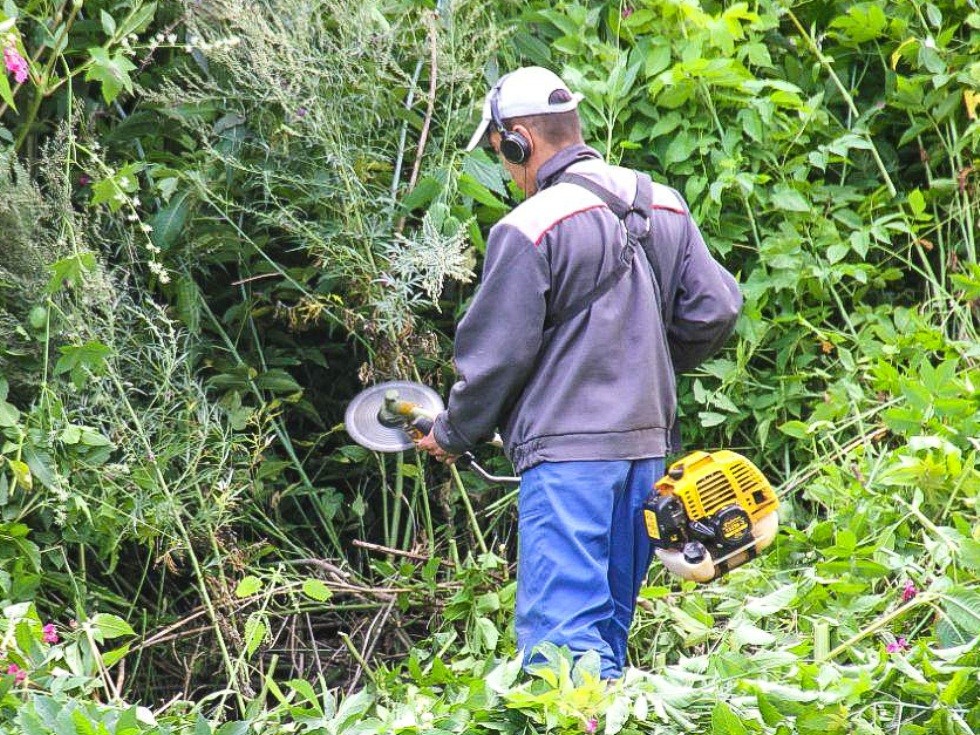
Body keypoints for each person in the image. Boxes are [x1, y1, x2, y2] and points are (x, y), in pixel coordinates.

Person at [416, 66, 742, 679]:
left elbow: (495, 356)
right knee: (608, 632)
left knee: (562, 645)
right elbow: (717, 307)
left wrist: (455, 432)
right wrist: (653, 361)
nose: (510, 174)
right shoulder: (662, 202)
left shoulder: (532, 224)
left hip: (570, 461)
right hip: (650, 454)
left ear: (519, 140)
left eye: (503, 157)